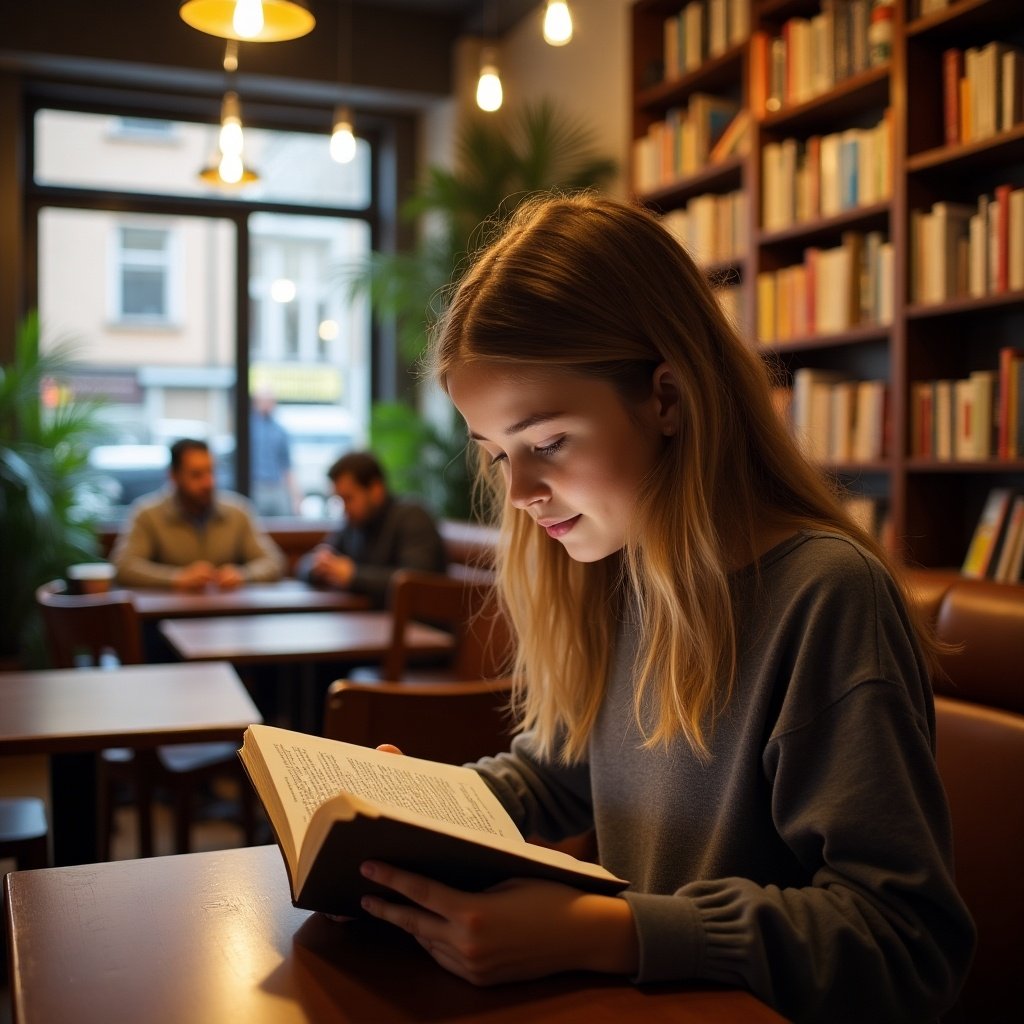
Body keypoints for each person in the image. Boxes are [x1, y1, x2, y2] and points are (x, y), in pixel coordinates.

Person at [350, 195, 975, 1022]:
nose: (523, 494)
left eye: (548, 442)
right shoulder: (616, 567)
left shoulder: (826, 595)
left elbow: (903, 940)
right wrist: (423, 809)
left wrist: (607, 933)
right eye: (499, 454)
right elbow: (556, 771)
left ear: (668, 397)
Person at [112, 437, 285, 589]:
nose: (208, 482)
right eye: (196, 475)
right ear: (174, 476)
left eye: (210, 472)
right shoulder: (147, 514)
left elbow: (273, 562)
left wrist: (242, 575)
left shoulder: (237, 511)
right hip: (168, 614)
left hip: (226, 616)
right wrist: (176, 578)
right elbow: (124, 567)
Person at [296, 451, 447, 609]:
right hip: (368, 620)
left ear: (375, 489)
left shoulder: (412, 516)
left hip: (418, 626)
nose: (344, 508)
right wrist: (318, 567)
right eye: (339, 500)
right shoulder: (353, 524)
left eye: (349, 498)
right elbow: (306, 563)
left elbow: (416, 581)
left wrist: (353, 576)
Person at [250, 388, 299, 517]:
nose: (267, 404)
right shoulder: (248, 428)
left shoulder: (280, 431)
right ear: (256, 403)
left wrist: (296, 497)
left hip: (276, 487)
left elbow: (287, 466)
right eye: (263, 401)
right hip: (256, 487)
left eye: (270, 401)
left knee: (284, 526)